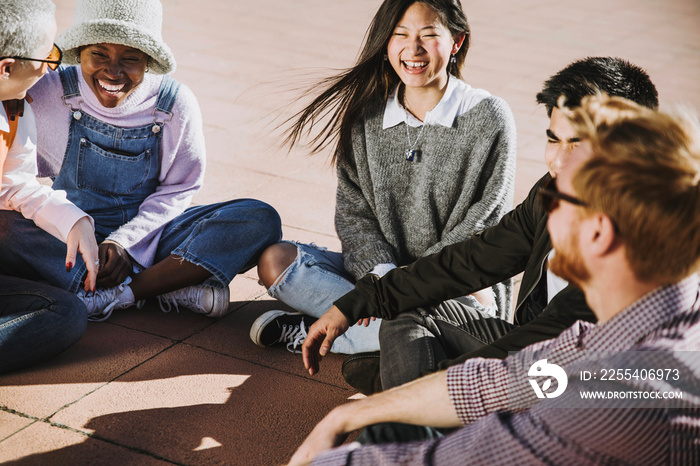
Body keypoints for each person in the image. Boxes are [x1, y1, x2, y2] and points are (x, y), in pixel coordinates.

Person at [289, 95, 700, 465]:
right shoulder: (643, 320)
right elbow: (509, 377)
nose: (547, 201)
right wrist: (351, 413)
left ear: (598, 233)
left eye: (560, 199)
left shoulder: (612, 402)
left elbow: (450, 454)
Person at [310, 57, 660, 396]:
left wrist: (426, 388)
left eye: (579, 144)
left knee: (420, 397)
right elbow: (473, 260)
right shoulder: (556, 194)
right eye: (554, 139)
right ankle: (412, 391)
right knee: (411, 307)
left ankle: (407, 399)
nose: (557, 161)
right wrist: (361, 300)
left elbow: (549, 340)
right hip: (535, 354)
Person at [250, 0, 517, 355]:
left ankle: (323, 330)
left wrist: (401, 290)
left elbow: (483, 227)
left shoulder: (488, 116)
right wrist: (383, 279)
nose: (413, 49)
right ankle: (392, 335)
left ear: (457, 42)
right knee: (276, 262)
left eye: (428, 35)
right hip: (379, 277)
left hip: (455, 286)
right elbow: (353, 216)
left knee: (438, 324)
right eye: (400, 34)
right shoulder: (367, 115)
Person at [0, 0, 282, 321]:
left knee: (259, 218)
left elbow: (180, 188)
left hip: (153, 236)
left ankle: (121, 294)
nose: (113, 70)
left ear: (148, 60)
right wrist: (72, 225)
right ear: (79, 53)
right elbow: (14, 175)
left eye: (130, 58)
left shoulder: (174, 103)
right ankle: (165, 286)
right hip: (68, 235)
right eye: (99, 54)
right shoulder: (44, 86)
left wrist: (126, 242)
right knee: (3, 225)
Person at [0, 0, 97, 373]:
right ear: (7, 67)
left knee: (66, 314)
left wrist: (73, 220)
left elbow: (15, 183)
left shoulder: (13, 105)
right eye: (48, 56)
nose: (53, 66)